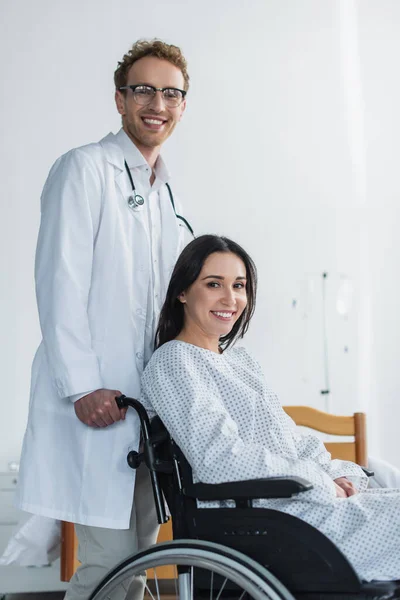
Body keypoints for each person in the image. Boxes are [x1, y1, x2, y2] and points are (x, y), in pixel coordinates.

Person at [16, 39, 193, 600]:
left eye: (170, 92)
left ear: (183, 105)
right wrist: (83, 385)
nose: (156, 103)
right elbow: (58, 283)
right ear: (120, 99)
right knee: (108, 566)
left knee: (136, 558)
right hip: (98, 404)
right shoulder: (83, 169)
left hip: (145, 410)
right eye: (143, 89)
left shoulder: (164, 194)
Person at [141, 234, 400, 583]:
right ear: (182, 292)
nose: (230, 299)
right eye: (214, 283)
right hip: (266, 521)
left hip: (297, 508)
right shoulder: (173, 361)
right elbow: (218, 458)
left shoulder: (240, 361)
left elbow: (288, 439)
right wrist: (318, 482)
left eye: (239, 285)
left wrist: (337, 473)